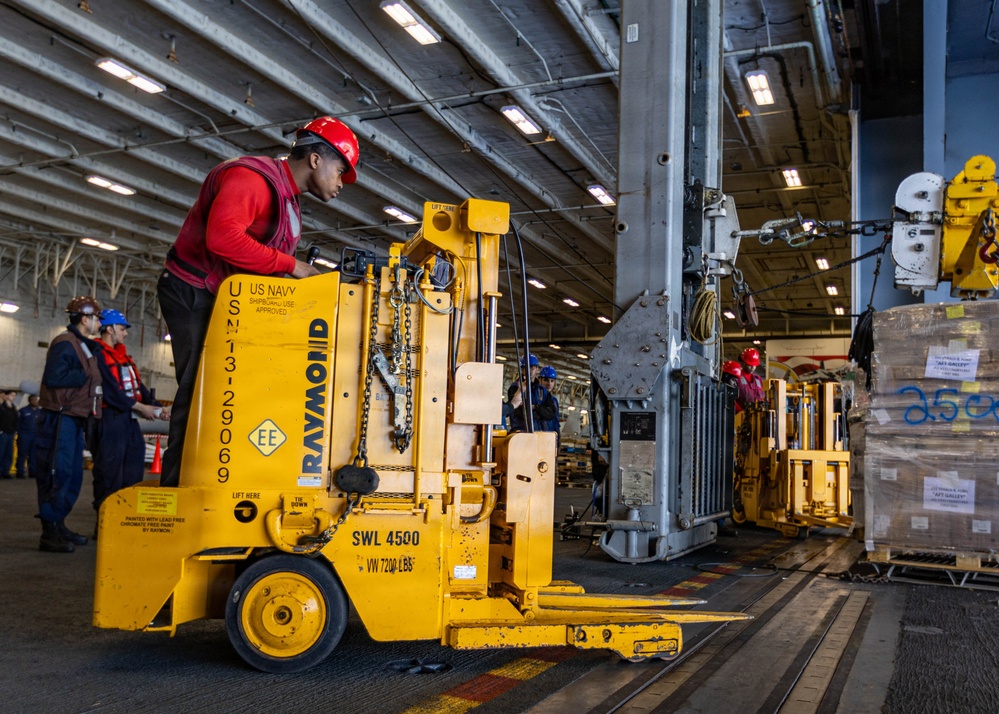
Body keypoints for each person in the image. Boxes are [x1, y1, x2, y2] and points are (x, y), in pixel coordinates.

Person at [157, 116, 360, 487]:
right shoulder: (253, 179)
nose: (341, 183)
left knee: (234, 388)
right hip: (194, 291)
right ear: (315, 159)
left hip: (225, 297)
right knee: (200, 388)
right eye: (340, 170)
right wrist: (292, 266)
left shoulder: (288, 200)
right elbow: (223, 238)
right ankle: (179, 490)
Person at [35, 295, 104, 553]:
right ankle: (49, 532)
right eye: (95, 317)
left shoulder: (82, 344)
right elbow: (54, 377)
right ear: (85, 319)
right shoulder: (66, 344)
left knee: (72, 475)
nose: (98, 322)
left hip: (73, 419)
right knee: (58, 474)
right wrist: (85, 374)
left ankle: (59, 523)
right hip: (60, 418)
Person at [92, 309, 168, 519]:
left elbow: (139, 387)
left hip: (128, 422)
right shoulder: (97, 355)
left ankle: (126, 520)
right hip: (110, 422)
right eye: (122, 328)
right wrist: (142, 408)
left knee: (133, 472)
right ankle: (105, 522)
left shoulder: (124, 357)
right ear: (109, 329)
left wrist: (157, 408)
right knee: (109, 473)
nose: (125, 333)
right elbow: (110, 391)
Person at [505, 354, 558, 433]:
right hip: (521, 433)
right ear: (522, 369)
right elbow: (519, 411)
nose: (529, 370)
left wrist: (536, 407)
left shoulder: (542, 390)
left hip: (538, 433)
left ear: (537, 369)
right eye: (526, 368)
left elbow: (551, 413)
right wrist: (541, 412)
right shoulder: (516, 388)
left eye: (532, 368)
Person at [536, 365, 562, 447]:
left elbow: (556, 422)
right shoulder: (535, 398)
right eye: (546, 380)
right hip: (538, 438)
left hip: (550, 439)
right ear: (540, 380)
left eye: (552, 381)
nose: (549, 384)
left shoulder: (554, 401)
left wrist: (558, 441)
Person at [16, 394, 41, 479]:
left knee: (33, 455)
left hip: (35, 436)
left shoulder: (39, 412)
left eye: (37, 400)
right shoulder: (23, 411)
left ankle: (32, 472)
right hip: (25, 436)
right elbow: (18, 424)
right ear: (30, 400)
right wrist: (19, 434)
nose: (36, 401)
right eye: (34, 400)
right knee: (22, 455)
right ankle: (20, 472)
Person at [0, 390, 17, 478]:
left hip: (11, 433)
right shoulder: (1, 407)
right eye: (11, 395)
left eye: (14, 396)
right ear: (6, 396)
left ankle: (5, 472)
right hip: (3, 433)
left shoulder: (14, 408)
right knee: (1, 452)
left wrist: (15, 430)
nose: (13, 397)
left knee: (8, 453)